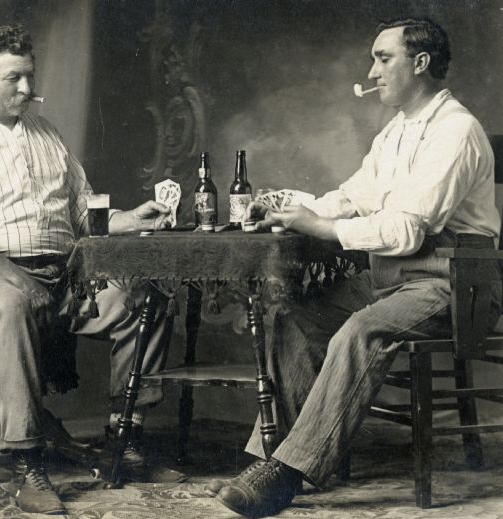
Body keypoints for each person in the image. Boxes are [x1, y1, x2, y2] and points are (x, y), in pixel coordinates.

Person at [208, 17, 502, 518]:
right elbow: (353, 197)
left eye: (383, 58)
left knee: (358, 331)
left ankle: (288, 473)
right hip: (392, 278)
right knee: (295, 317)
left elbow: (409, 230)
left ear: (421, 63)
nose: (373, 70)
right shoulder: (396, 132)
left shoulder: (457, 132)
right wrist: (295, 210)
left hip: (453, 283)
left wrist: (319, 228)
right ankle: (272, 457)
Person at [0, 24, 174, 515]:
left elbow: (83, 213)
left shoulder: (46, 134)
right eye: (14, 79)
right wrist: (16, 279)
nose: (28, 90)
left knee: (145, 296)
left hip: (61, 273)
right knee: (10, 304)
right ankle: (28, 464)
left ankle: (127, 440)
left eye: (30, 77)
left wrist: (127, 220)